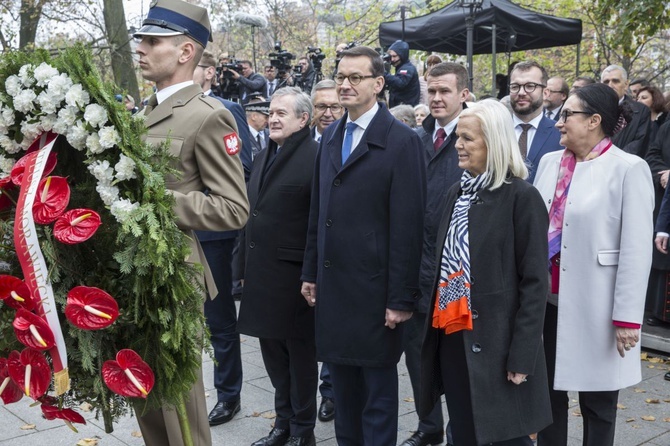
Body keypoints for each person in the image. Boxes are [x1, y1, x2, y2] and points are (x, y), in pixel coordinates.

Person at [133, 0, 249, 444]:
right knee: (142, 393)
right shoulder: (144, 112)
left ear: (185, 52)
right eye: (141, 40)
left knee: (179, 411)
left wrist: (156, 200)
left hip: (173, 276)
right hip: (135, 269)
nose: (140, 49)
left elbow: (234, 208)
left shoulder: (209, 115)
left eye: (152, 41)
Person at [301, 45, 426, 446]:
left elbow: (409, 227)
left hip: (375, 294)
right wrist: (310, 272)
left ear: (378, 83)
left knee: (376, 396)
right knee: (343, 395)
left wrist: (401, 298)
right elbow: (318, 211)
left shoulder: (402, 141)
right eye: (340, 77)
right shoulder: (332, 133)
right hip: (334, 289)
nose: (345, 84)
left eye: (355, 77)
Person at [419, 99, 552, 446]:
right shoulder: (457, 192)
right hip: (453, 332)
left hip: (499, 344)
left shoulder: (522, 198)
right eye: (458, 137)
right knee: (463, 431)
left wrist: (523, 355)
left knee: (507, 436)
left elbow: (536, 284)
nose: (457, 145)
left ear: (492, 142)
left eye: (467, 139)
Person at [534, 83, 654, 446]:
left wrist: (627, 319)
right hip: (547, 304)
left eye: (567, 114)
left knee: (599, 404)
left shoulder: (628, 168)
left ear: (594, 121)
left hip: (598, 307)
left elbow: (635, 250)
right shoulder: (549, 162)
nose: (559, 122)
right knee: (548, 401)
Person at [237, 87, 319, 446]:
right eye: (271, 112)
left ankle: (303, 431)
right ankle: (282, 424)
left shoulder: (317, 156)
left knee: (299, 361)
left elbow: (319, 221)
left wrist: (311, 274)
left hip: (294, 279)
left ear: (304, 119)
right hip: (262, 275)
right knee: (273, 358)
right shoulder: (266, 151)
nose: (272, 118)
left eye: (282, 113)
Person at [403, 61, 469, 446]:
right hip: (417, 269)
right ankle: (428, 428)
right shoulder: (415, 138)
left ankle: (459, 429)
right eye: (432, 90)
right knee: (417, 355)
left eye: (445, 90)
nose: (437, 98)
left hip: (455, 272)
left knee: (456, 358)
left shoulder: (475, 136)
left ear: (463, 94)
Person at [307, 79, 343, 422]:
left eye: (334, 106)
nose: (328, 113)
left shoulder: (347, 142)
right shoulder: (304, 144)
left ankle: (330, 392)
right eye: (322, 107)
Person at [509, 61, 563, 183]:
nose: (521, 92)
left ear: (545, 93)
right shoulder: (495, 131)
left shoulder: (560, 133)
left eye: (530, 86)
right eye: (515, 87)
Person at [645, 121, 670, 328]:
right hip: (665, 197)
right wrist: (664, 172)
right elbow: (652, 155)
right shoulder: (667, 127)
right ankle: (661, 313)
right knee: (662, 255)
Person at [601, 65, 651, 157]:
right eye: (606, 82)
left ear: (626, 85)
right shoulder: (592, 109)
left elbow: (639, 143)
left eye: (615, 81)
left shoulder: (641, 111)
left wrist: (613, 159)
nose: (610, 85)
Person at [384, 40, 421, 107]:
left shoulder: (407, 68)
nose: (392, 59)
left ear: (402, 55)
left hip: (405, 109)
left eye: (395, 56)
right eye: (391, 56)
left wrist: (384, 74)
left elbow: (400, 83)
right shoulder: (401, 67)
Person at [310, 79, 344, 144]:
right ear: (312, 108)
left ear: (343, 110)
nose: (327, 114)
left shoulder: (351, 144)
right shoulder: (300, 143)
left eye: (334, 107)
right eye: (321, 106)